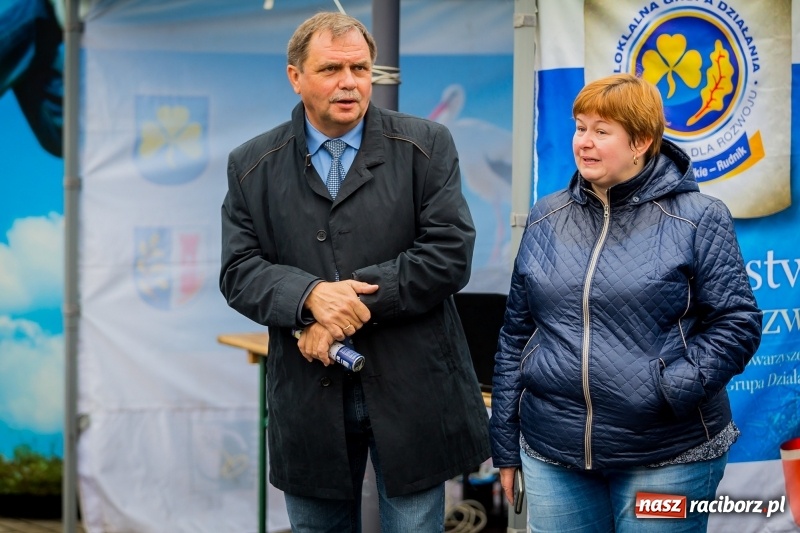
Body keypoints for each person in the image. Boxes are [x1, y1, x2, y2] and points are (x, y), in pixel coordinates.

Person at [219, 11, 490, 533]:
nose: (349, 83)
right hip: (309, 397)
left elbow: (450, 253)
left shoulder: (427, 145)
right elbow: (238, 270)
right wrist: (310, 295)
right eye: (330, 69)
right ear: (295, 76)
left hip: (413, 390)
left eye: (360, 68)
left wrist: (338, 310)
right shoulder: (251, 164)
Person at [490, 73, 762, 532]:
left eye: (602, 130)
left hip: (667, 454)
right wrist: (504, 440)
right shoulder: (546, 216)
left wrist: (669, 388)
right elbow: (518, 333)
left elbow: (737, 323)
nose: (585, 142)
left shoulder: (698, 218)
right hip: (553, 452)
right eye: (580, 127)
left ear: (641, 141)